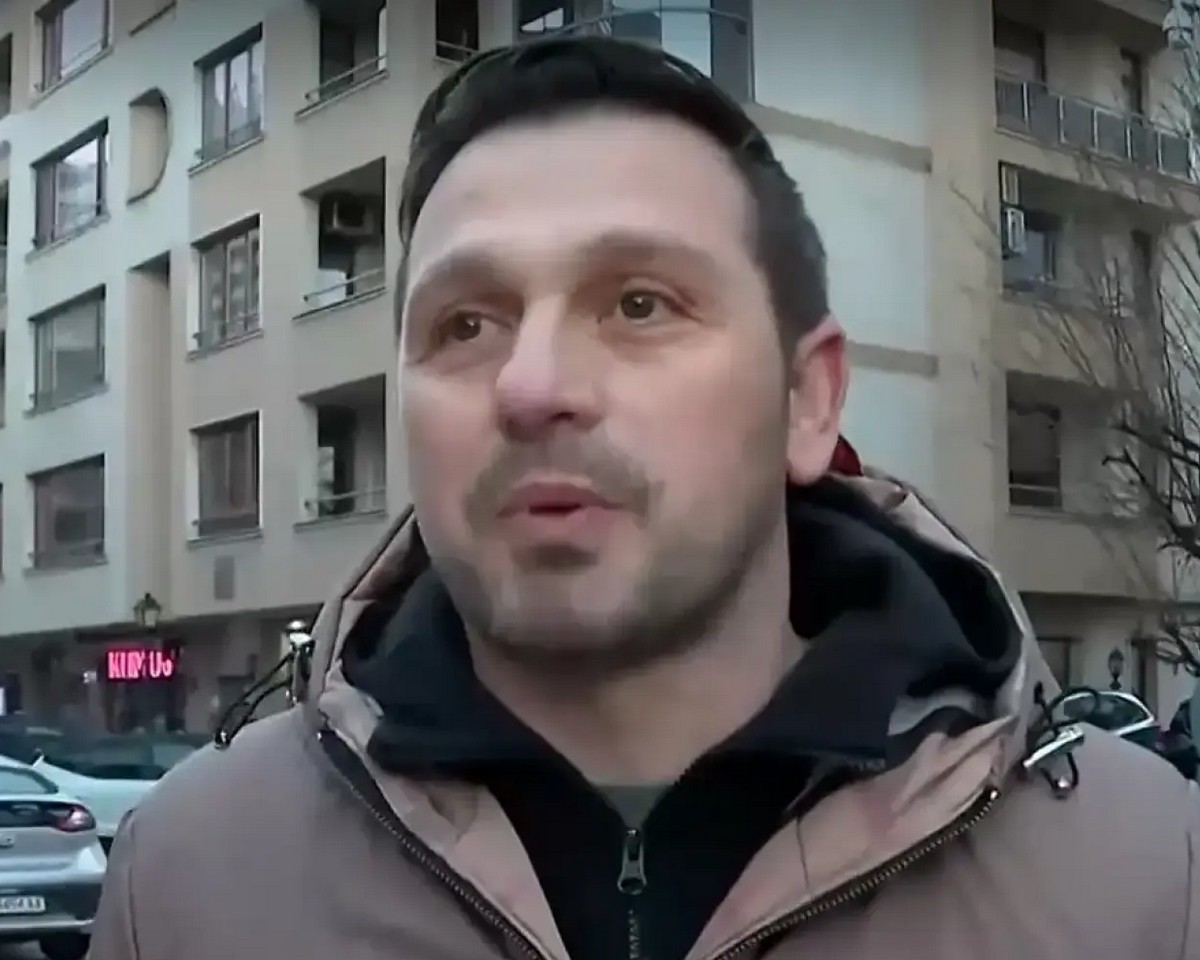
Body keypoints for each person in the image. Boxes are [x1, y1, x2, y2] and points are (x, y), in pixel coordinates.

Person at [90, 37, 1199, 960]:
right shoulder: (188, 885)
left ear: (808, 401)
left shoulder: (1149, 878)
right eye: (465, 323)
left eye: (637, 303)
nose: (531, 386)